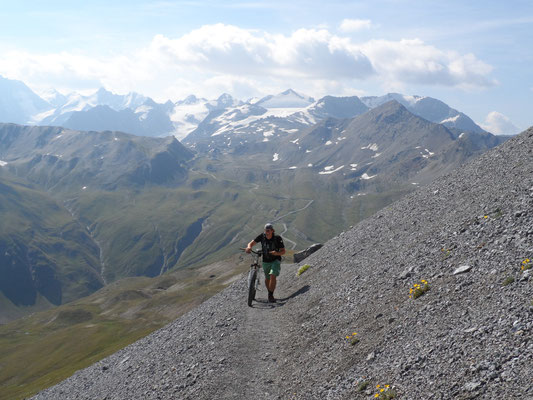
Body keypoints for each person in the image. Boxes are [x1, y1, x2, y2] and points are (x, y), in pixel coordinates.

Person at [246, 223, 285, 303]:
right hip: (266, 261)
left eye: (268, 231)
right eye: (265, 230)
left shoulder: (277, 238)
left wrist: (276, 253)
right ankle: (270, 292)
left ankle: (270, 295)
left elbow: (283, 251)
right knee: (267, 278)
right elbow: (251, 243)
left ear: (272, 231)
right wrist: (249, 247)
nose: (266, 232)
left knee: (272, 275)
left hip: (275, 260)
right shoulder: (262, 236)